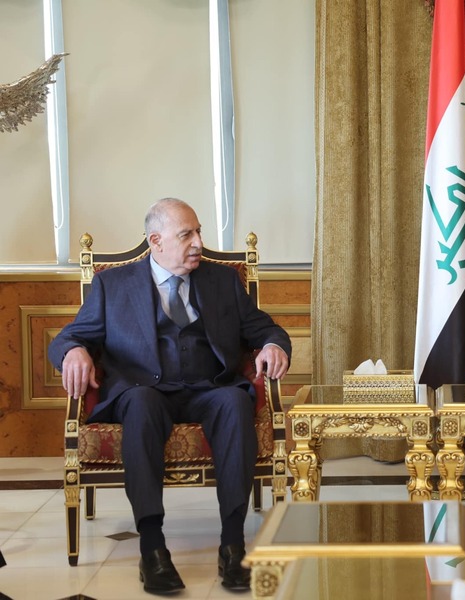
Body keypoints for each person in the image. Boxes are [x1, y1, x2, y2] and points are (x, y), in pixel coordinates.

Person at [49, 198, 291, 595]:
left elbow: (264, 328)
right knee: (141, 404)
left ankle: (233, 545)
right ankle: (152, 548)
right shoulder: (113, 285)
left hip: (209, 387)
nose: (198, 243)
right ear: (156, 241)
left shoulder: (222, 280)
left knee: (235, 402)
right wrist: (73, 351)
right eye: (186, 235)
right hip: (145, 390)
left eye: (198, 232)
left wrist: (274, 345)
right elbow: (70, 336)